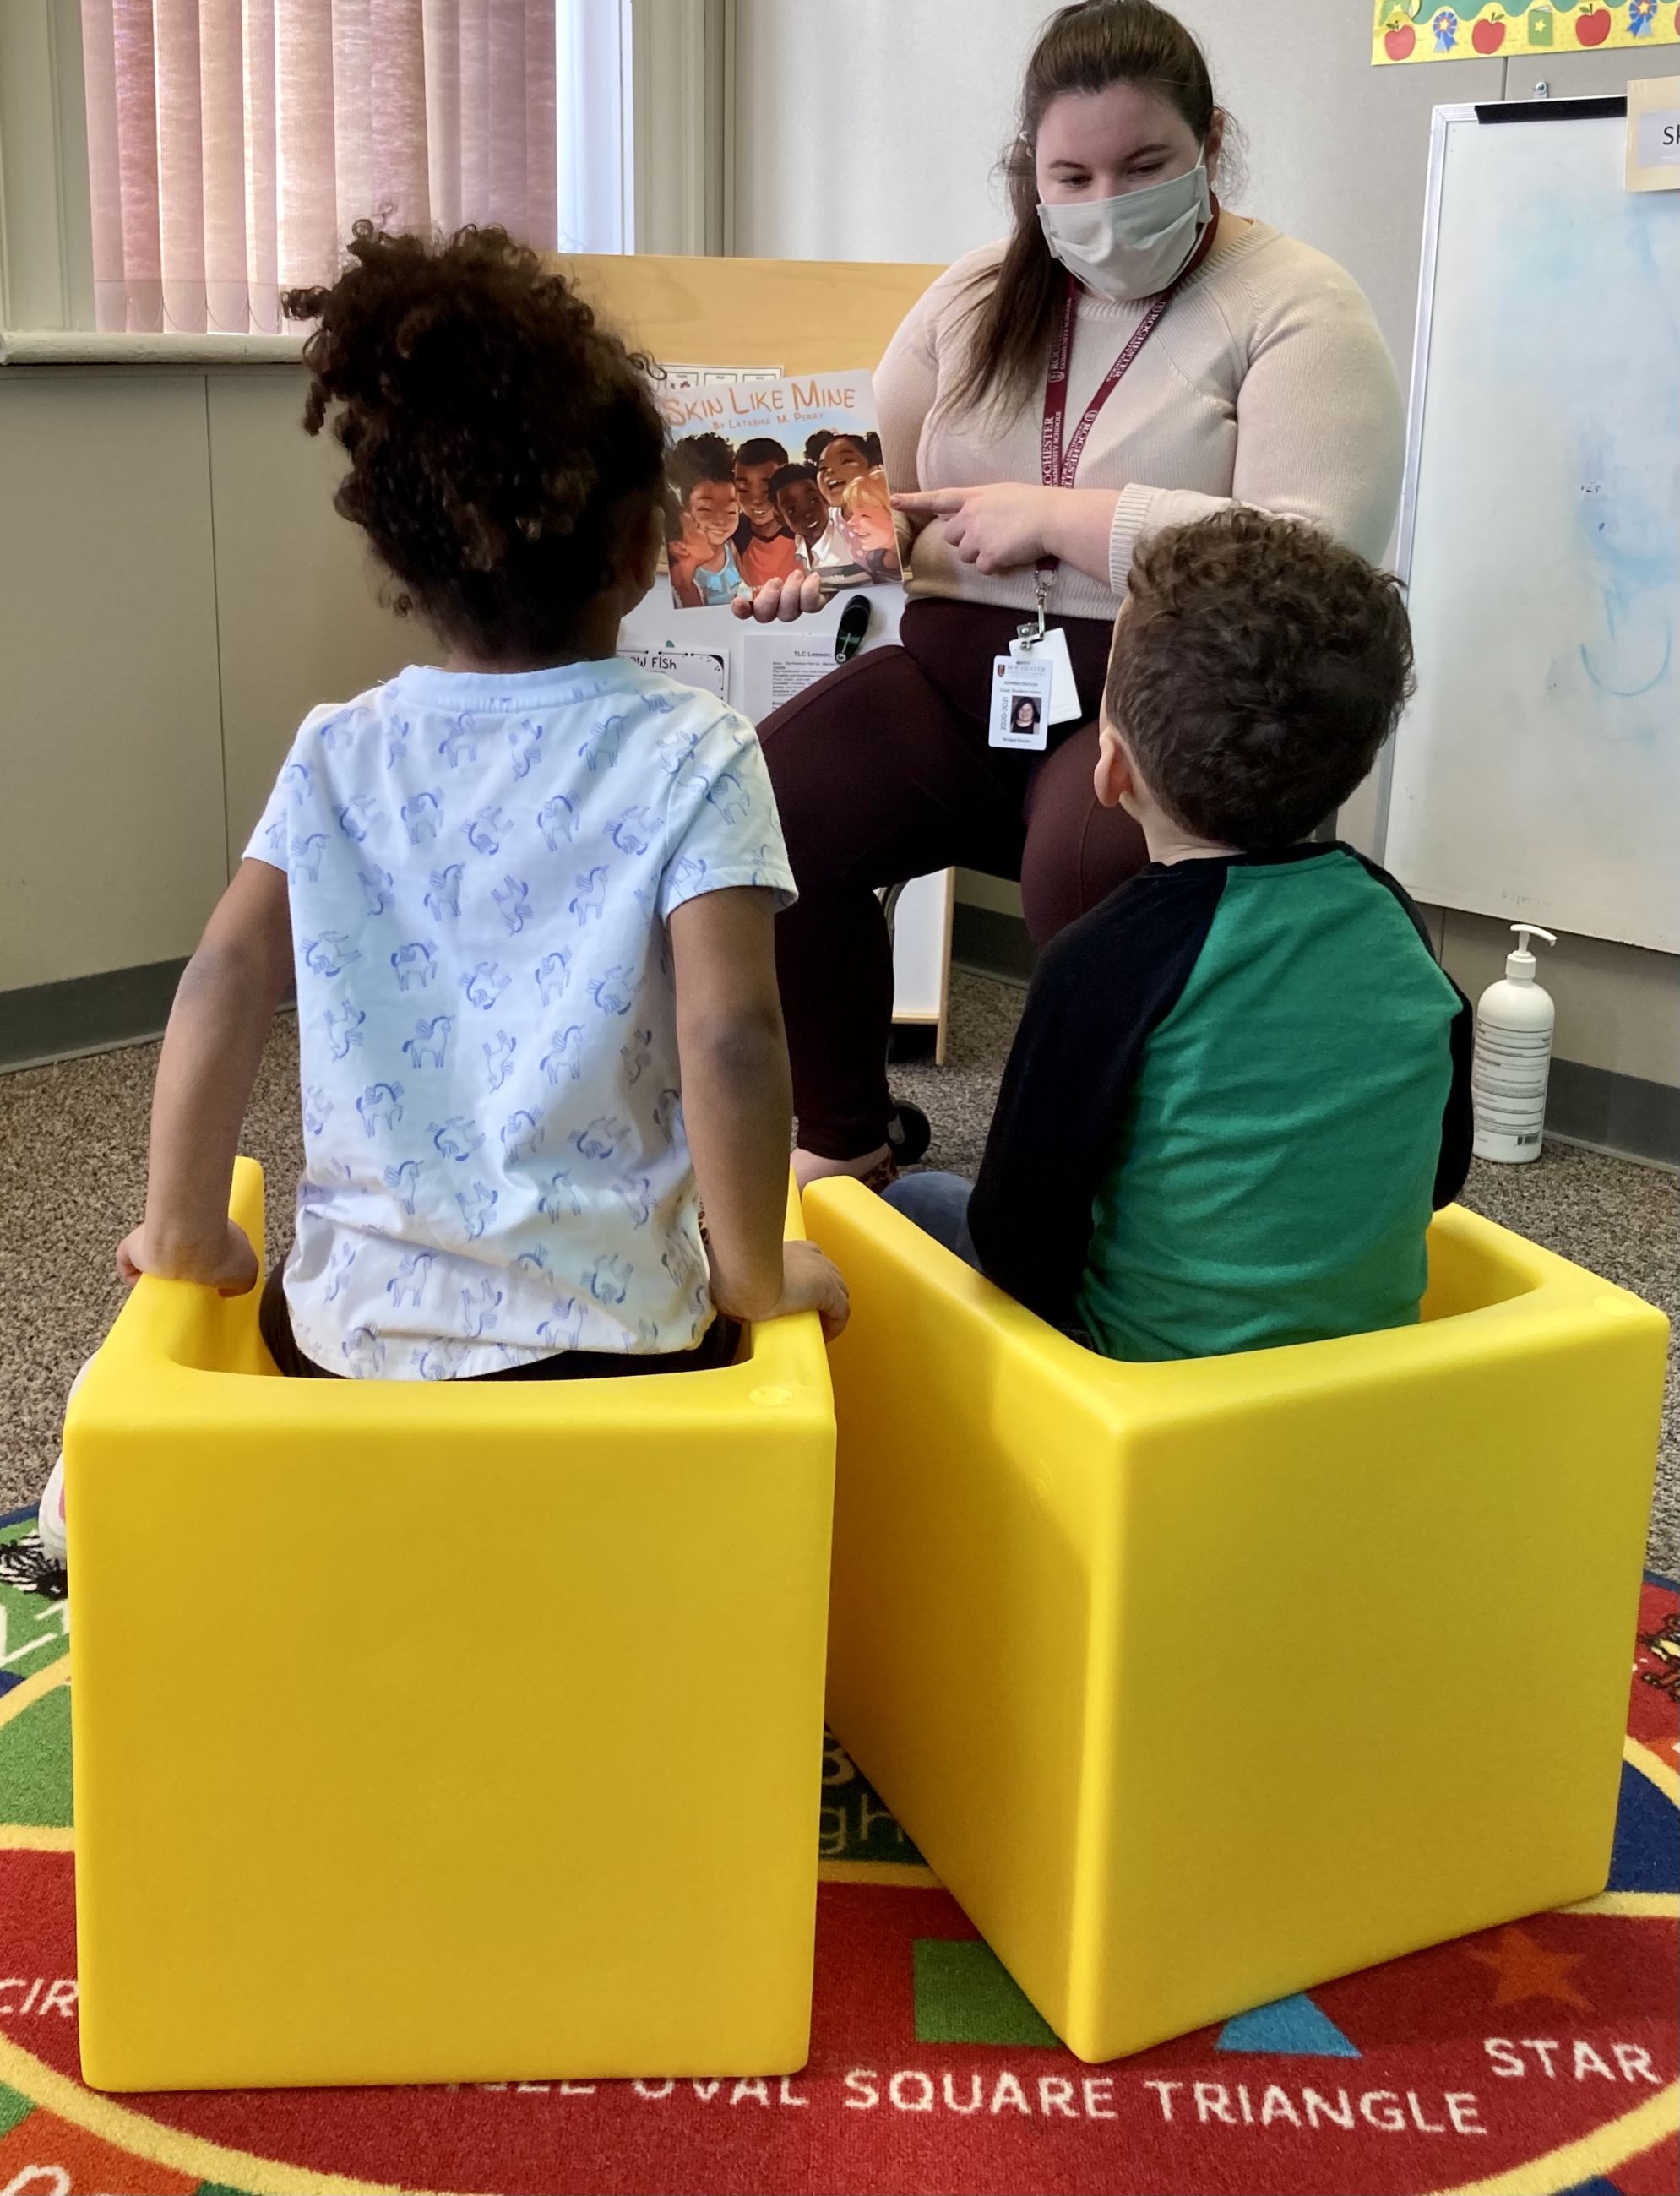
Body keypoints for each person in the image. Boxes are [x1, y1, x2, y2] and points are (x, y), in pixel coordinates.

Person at [34, 223, 846, 1563]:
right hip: (616, 1354)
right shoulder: (698, 749)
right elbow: (733, 1037)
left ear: (403, 568)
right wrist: (757, 1274)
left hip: (350, 1345)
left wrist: (180, 1229)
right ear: (642, 544)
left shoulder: (337, 750)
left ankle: (132, 1490)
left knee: (239, 1367)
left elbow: (223, 976)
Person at [733, 0, 1405, 1193]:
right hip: (958, 680)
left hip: (1150, 702)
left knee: (1088, 880)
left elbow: (1317, 560)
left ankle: (1098, 1196)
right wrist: (811, 564)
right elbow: (882, 496)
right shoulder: (974, 295)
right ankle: (844, 1138)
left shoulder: (1296, 302)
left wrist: (1064, 520)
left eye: (1144, 167)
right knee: (766, 799)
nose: (1107, 204)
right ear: (1030, 175)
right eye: (1073, 177)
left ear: (1209, 145)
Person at [888, 510, 1472, 1362]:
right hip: (1361, 1375)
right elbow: (1440, 1176)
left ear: (1111, 767)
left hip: (1143, 1389)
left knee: (914, 1203)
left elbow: (1018, 1243)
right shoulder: (1392, 920)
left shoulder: (1098, 962)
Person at [666, 432, 750, 606]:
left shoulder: (732, 547)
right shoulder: (680, 568)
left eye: (731, 512)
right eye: (705, 509)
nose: (720, 521)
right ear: (685, 510)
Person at [770, 463, 870, 586]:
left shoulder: (852, 538)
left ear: (825, 499)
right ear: (780, 519)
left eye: (814, 501)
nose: (807, 514)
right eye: (792, 510)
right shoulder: (796, 545)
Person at [732, 437, 804, 588]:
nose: (756, 500)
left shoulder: (805, 528)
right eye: (743, 489)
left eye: (767, 490)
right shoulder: (733, 533)